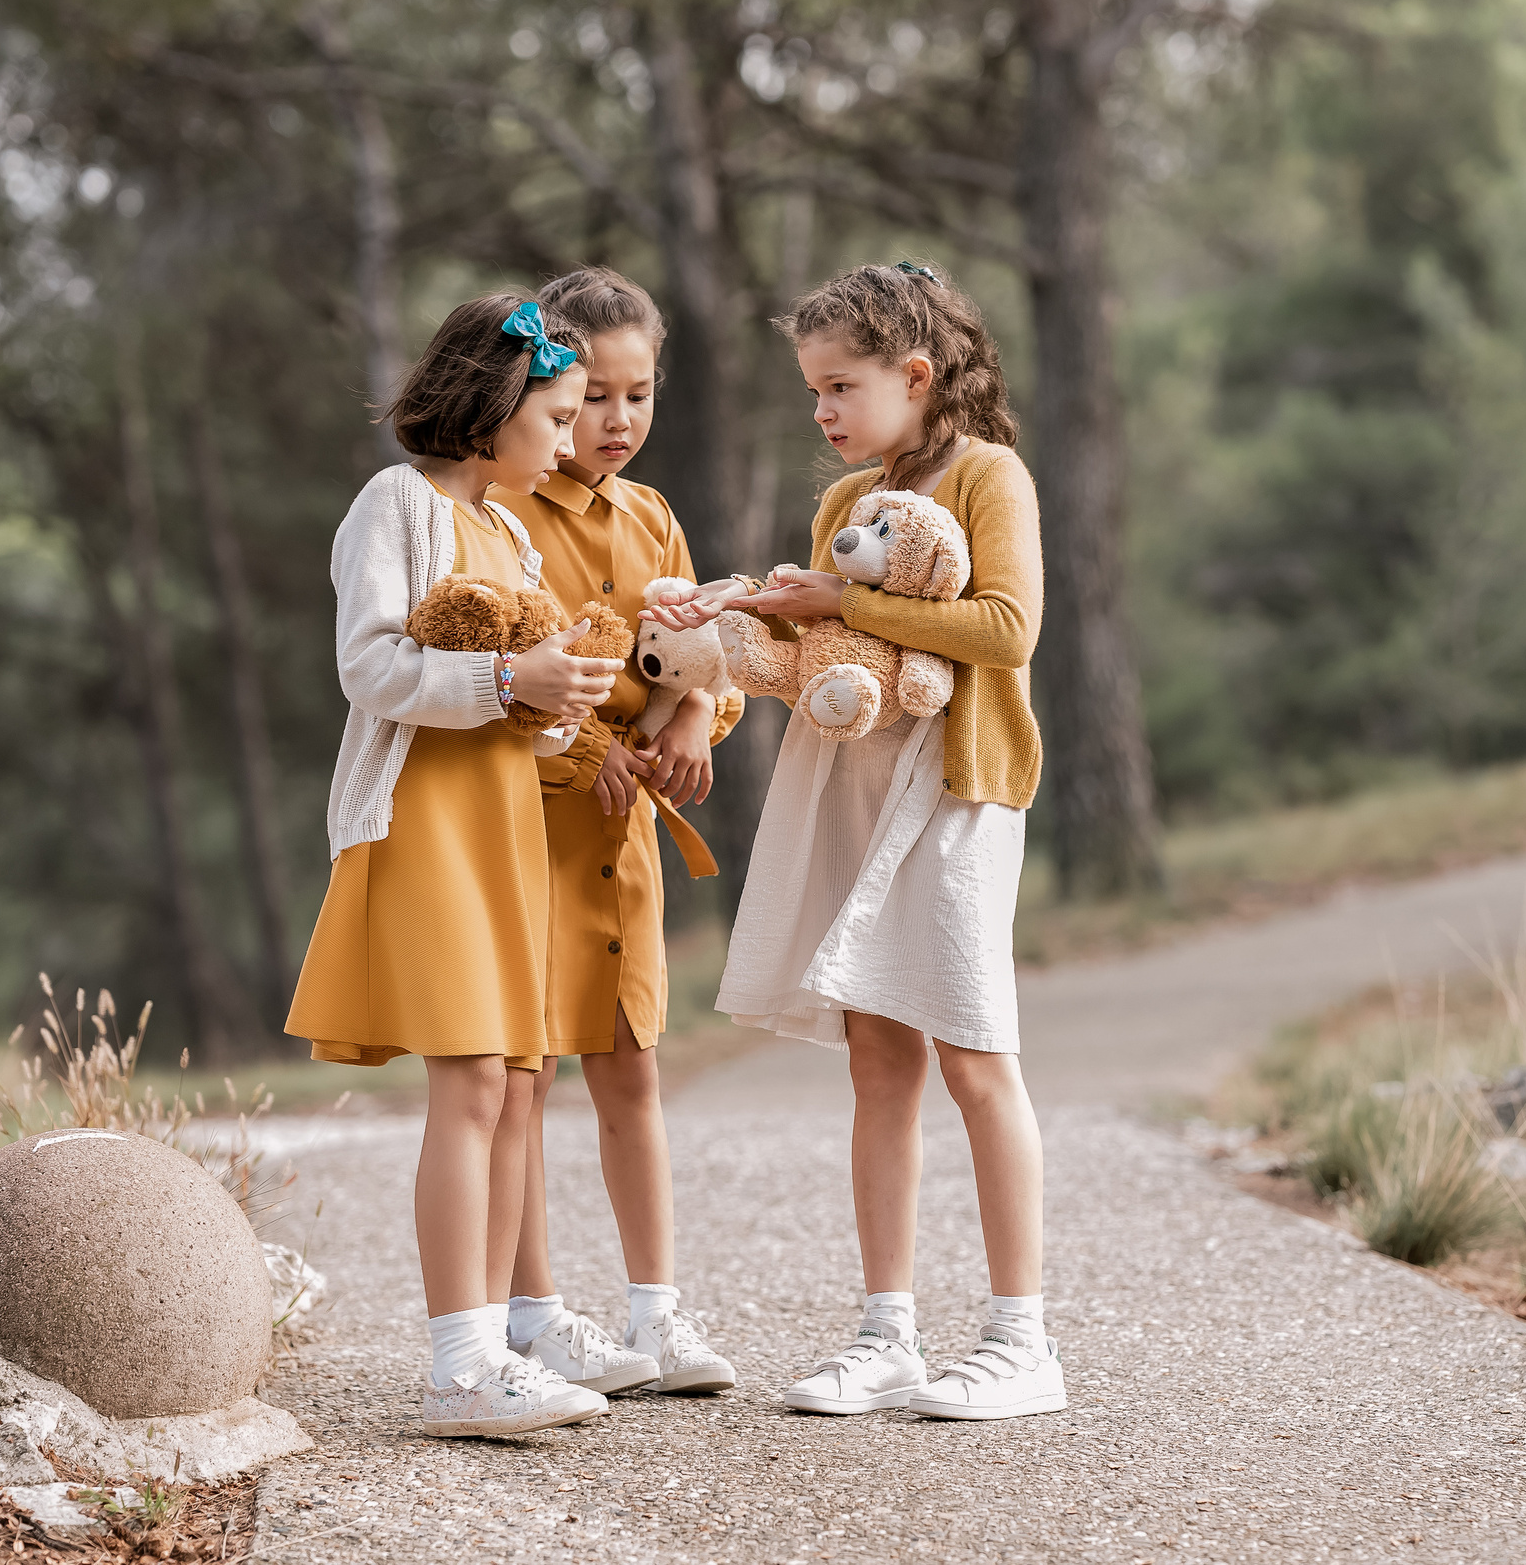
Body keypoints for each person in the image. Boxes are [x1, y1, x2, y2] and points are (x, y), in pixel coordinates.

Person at [643, 260, 1061, 1421]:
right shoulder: (846, 507)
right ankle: (887, 1337)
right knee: (880, 1065)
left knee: (976, 1056)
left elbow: (1004, 627)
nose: (821, 412)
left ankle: (1022, 1342)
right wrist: (728, 620)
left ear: (915, 375)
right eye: (812, 392)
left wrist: (834, 602)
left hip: (956, 793)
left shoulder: (990, 477)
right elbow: (828, 662)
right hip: (856, 789)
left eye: (839, 387)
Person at [285, 293, 625, 1439]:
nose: (573, 440)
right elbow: (371, 669)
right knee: (474, 1079)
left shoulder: (514, 531)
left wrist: (555, 698)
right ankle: (457, 1366)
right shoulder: (398, 505)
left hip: (501, 826)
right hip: (428, 824)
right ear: (492, 407)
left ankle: (490, 1351)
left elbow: (515, 702)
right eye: (560, 415)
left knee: (520, 1083)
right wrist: (502, 688)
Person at [494, 266, 743, 1397]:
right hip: (530, 835)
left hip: (624, 850)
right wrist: (590, 743)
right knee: (523, 1076)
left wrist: (695, 715)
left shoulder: (653, 518)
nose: (619, 420)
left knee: (631, 1072)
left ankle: (658, 1317)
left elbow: (706, 653)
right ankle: (533, 1316)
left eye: (638, 395)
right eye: (593, 396)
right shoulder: (503, 511)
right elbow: (503, 665)